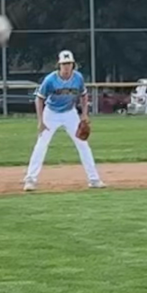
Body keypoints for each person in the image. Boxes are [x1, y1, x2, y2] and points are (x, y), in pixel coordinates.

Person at [23, 50, 105, 192]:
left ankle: (94, 179)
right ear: (59, 65)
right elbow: (39, 98)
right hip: (51, 113)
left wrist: (84, 115)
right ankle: (30, 179)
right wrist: (41, 120)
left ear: (73, 65)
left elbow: (84, 96)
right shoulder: (50, 80)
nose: (66, 67)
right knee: (41, 144)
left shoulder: (78, 78)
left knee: (83, 144)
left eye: (69, 64)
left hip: (70, 113)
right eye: (63, 64)